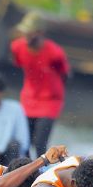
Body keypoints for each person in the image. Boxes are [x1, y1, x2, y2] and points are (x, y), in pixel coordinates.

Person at [9, 11, 70, 159]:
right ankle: (26, 168)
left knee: (39, 142)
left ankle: (42, 168)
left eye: (30, 33)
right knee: (24, 141)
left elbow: (65, 74)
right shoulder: (17, 47)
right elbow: (18, 63)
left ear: (40, 33)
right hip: (29, 99)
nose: (27, 37)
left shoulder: (55, 53)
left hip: (50, 101)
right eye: (25, 33)